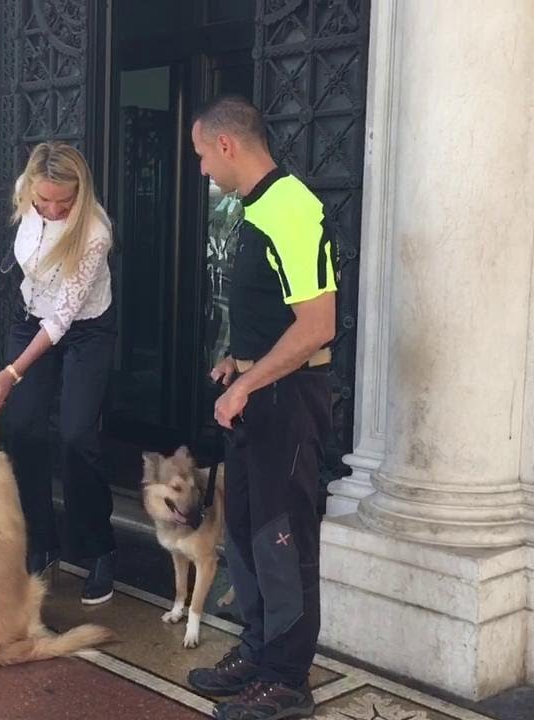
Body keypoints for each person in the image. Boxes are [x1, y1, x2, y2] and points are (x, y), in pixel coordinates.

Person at [184, 95, 336, 720]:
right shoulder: (252, 210)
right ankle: (257, 651)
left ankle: (286, 677)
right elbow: (272, 315)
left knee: (281, 537)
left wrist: (250, 384)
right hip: (255, 397)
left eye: (199, 155)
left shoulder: (292, 207)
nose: (200, 170)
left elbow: (317, 325)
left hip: (288, 403)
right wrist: (237, 363)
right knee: (246, 533)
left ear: (226, 145)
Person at [0, 141, 118, 605]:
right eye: (44, 202)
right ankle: (41, 542)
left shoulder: (96, 231)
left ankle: (98, 548)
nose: (55, 210)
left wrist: (9, 374)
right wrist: (15, 375)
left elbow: (62, 320)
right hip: (28, 316)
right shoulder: (26, 189)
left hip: (85, 329)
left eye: (66, 201)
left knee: (77, 434)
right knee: (22, 429)